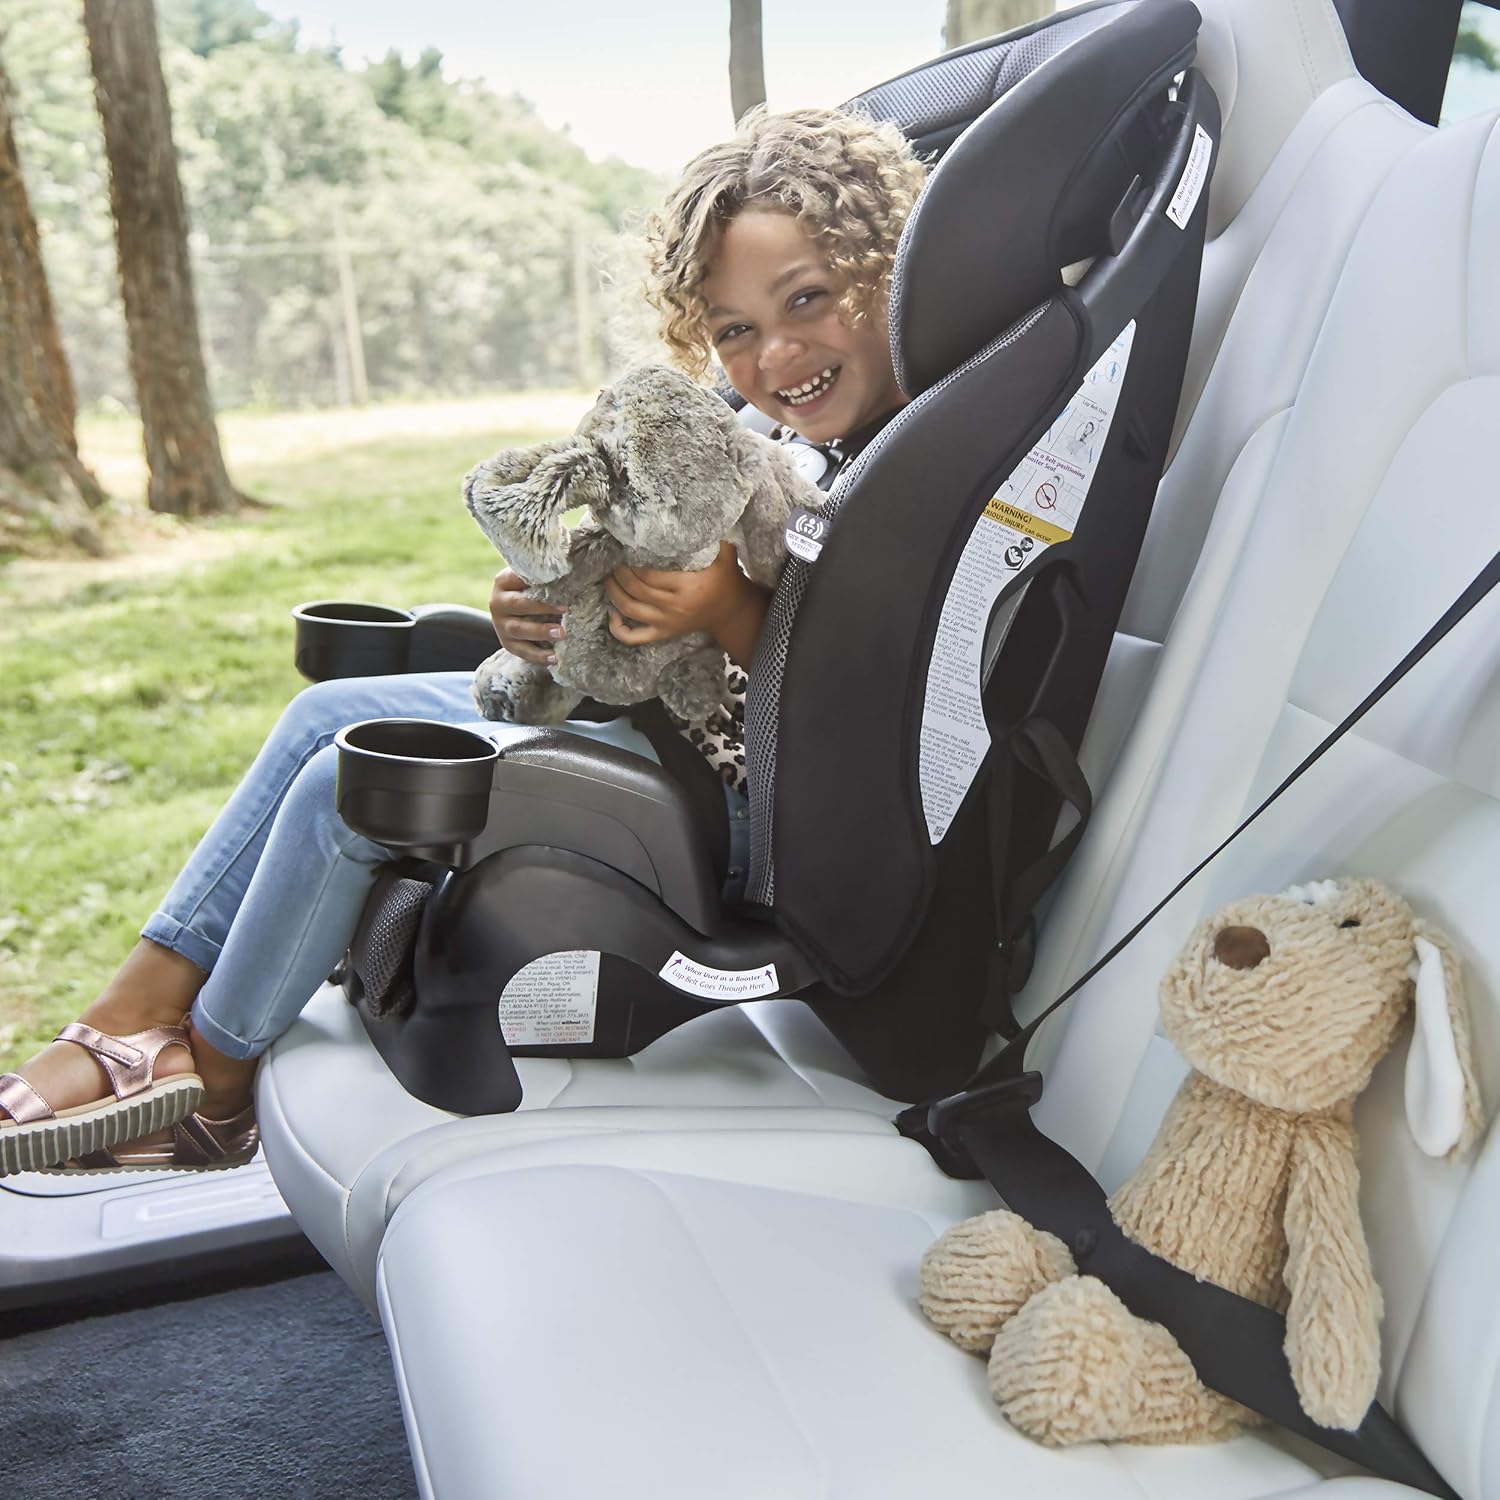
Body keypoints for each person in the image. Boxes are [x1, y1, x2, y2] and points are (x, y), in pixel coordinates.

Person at [0, 104, 927, 1176]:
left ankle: (209, 1080)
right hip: (665, 720)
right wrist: (552, 617)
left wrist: (721, 612)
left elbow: (860, 704)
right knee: (325, 715)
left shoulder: (923, 463)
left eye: (807, 299)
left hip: (748, 801)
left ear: (886, 266)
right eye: (730, 329)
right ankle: (136, 1008)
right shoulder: (789, 434)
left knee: (354, 782)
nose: (773, 356)